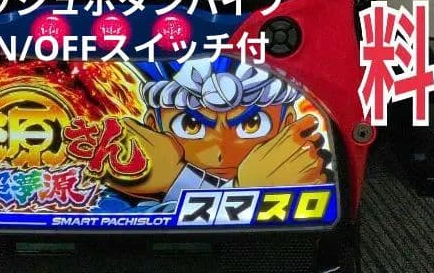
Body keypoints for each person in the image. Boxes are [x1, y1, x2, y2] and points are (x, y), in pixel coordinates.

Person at [108, 56, 331, 202]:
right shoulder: (113, 196)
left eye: (251, 124)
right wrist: (245, 192)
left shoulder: (310, 182)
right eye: (191, 125)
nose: (221, 152)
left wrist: (179, 180)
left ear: (287, 123)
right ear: (153, 126)